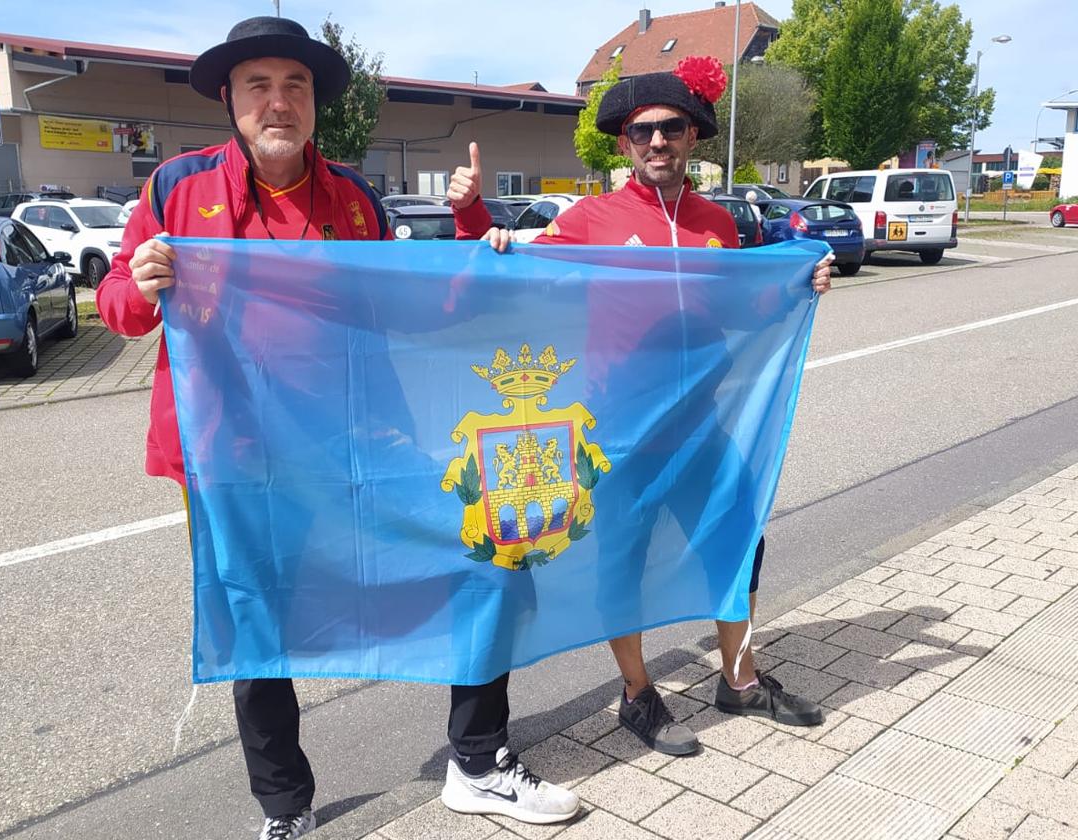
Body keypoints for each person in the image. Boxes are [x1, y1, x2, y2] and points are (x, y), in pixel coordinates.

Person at [96, 16, 578, 840]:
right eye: (259, 85)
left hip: (356, 446)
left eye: (297, 86)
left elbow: (411, 307)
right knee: (260, 627)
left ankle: (477, 760)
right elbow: (119, 311)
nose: (279, 102)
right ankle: (286, 810)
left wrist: (472, 234)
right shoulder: (173, 190)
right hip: (233, 461)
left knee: (492, 551)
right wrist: (141, 284)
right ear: (229, 98)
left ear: (314, 102)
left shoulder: (354, 200)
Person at [448, 56, 832, 758]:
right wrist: (477, 216)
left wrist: (803, 278)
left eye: (673, 129)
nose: (659, 142)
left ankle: (739, 681)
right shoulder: (591, 219)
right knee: (620, 561)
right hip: (618, 428)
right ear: (624, 145)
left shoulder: (717, 221)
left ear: (692, 138)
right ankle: (636, 694)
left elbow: (744, 303)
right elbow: (509, 269)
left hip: (702, 424)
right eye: (643, 131)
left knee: (738, 542)